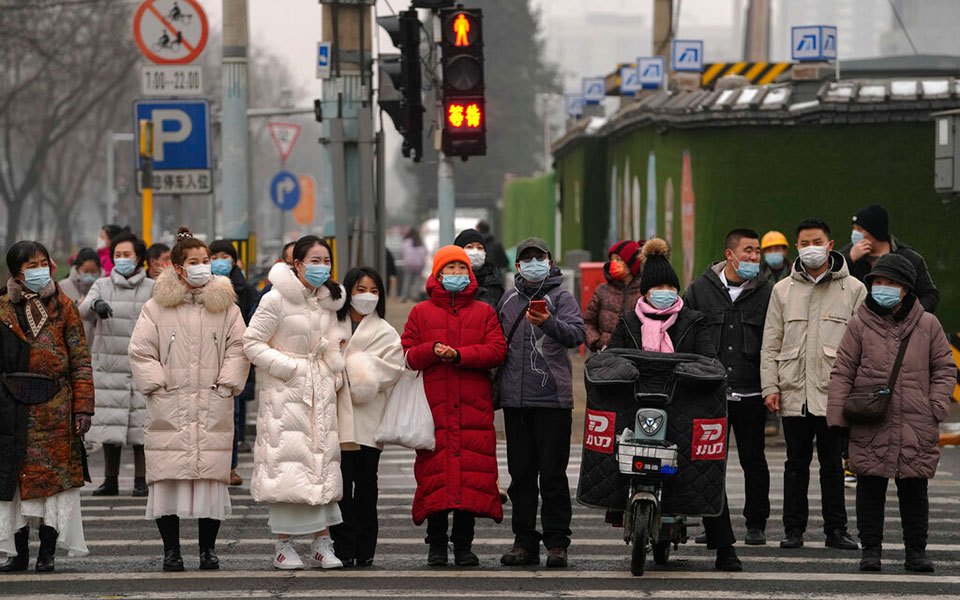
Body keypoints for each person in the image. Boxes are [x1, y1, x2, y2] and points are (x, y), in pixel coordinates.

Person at [607, 238, 743, 571]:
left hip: (683, 406)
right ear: (645, 291)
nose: (666, 291)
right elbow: (612, 359)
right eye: (658, 286)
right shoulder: (628, 323)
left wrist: (692, 373)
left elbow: (709, 360)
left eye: (671, 285)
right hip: (638, 408)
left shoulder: (692, 321)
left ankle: (725, 549)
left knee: (705, 473)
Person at [128, 227, 249, 572]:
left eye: (206, 260)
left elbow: (240, 347)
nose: (202, 266)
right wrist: (158, 385)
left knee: (210, 479)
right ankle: (171, 551)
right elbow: (140, 351)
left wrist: (227, 384)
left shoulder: (226, 306)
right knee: (168, 479)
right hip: (171, 403)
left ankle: (208, 550)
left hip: (213, 400)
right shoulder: (156, 307)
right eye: (194, 261)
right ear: (178, 268)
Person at [826, 254, 954, 573]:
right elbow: (843, 371)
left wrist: (935, 405)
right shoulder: (859, 323)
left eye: (891, 283)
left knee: (914, 489)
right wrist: (838, 419)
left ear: (907, 289)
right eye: (878, 283)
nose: (882, 288)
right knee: (870, 488)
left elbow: (945, 368)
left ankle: (916, 552)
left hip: (916, 421)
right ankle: (871, 550)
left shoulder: (928, 325)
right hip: (871, 420)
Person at [243, 236, 350, 571]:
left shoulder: (325, 301)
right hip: (286, 394)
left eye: (326, 260)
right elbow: (251, 342)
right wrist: (288, 368)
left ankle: (322, 542)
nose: (322, 266)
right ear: (298, 264)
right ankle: (283, 546)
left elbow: (331, 342)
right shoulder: (275, 300)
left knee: (320, 466)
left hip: (319, 391)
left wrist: (333, 371)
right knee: (287, 468)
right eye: (314, 260)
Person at [760, 218, 866, 551]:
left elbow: (864, 345)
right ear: (797, 248)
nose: (810, 248)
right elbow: (771, 342)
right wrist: (770, 387)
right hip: (793, 391)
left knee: (834, 465)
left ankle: (836, 530)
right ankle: (793, 530)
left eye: (816, 241)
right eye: (804, 243)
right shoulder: (782, 290)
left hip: (835, 393)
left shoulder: (854, 290)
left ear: (831, 245)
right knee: (795, 465)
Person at [401, 245, 507, 567]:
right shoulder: (420, 313)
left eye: (462, 269)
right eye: (450, 269)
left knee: (469, 478)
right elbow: (406, 355)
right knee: (435, 476)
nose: (457, 275)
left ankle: (464, 545)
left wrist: (460, 355)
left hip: (473, 406)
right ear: (437, 273)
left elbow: (497, 350)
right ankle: (435, 544)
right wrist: (432, 350)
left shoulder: (484, 312)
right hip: (434, 407)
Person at [0, 241, 94, 572]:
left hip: (56, 409)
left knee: (55, 487)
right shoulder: (2, 310)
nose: (40, 270)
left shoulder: (64, 307)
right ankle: (20, 553)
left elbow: (80, 359)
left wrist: (83, 408)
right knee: (15, 484)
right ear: (16, 273)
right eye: (31, 265)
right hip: (12, 411)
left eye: (44, 263)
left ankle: (47, 553)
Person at [496, 237, 585, 569]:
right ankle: (524, 542)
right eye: (527, 258)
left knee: (552, 476)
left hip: (553, 401)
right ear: (518, 266)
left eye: (540, 257)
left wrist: (548, 321)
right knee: (520, 476)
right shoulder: (507, 301)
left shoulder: (562, 297)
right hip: (516, 403)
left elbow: (577, 335)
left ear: (549, 260)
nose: (534, 263)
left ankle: (557, 543)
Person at [684, 229, 772, 546]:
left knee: (754, 460)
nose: (753, 257)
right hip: (711, 393)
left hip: (751, 392)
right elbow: (684, 335)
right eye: (747, 250)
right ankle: (711, 525)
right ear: (730, 254)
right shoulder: (699, 289)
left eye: (757, 252)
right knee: (708, 462)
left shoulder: (767, 292)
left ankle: (756, 523)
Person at [331, 267, 404, 568]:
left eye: (374, 291)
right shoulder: (332, 325)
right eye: (361, 289)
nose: (368, 296)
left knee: (366, 484)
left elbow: (394, 370)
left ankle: (365, 546)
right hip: (336, 416)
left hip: (369, 416)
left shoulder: (386, 331)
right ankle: (342, 545)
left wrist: (358, 368)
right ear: (349, 290)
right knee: (340, 483)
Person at [79, 232, 154, 498]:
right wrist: (95, 304)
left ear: (139, 258)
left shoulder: (152, 288)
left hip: (141, 364)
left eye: (127, 254)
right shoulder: (101, 285)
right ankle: (110, 480)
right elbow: (83, 309)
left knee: (141, 426)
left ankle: (141, 480)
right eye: (118, 255)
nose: (122, 259)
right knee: (110, 426)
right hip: (109, 364)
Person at [209, 239, 259, 486]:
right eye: (215, 255)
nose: (220, 261)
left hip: (236, 359)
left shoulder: (246, 290)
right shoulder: (203, 287)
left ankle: (230, 467)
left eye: (225, 256)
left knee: (233, 416)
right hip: (208, 360)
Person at [840, 204, 939, 314]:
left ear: (875, 231)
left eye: (860, 229)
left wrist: (912, 317)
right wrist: (850, 259)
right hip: (864, 325)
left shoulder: (910, 258)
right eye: (853, 229)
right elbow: (831, 277)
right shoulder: (846, 255)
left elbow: (929, 295)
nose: (855, 233)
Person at [583, 239, 644, 352]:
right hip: (605, 356)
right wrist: (597, 342)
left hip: (636, 356)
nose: (614, 263)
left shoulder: (644, 292)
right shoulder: (602, 291)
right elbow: (587, 322)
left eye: (619, 259)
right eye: (612, 259)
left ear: (632, 263)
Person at [454, 228, 505, 307]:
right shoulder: (450, 281)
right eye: (470, 247)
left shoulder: (495, 283)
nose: (475, 252)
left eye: (480, 248)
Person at [60, 248, 102, 344]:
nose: (90, 275)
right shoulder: (63, 286)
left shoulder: (104, 286)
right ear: (77, 268)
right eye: (86, 271)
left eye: (93, 271)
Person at [247, 241, 295, 322]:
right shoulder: (270, 290)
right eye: (291, 264)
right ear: (282, 263)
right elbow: (254, 321)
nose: (296, 268)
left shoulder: (320, 292)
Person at [400, 228, 427, 302]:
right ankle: (415, 296)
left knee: (407, 280)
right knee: (417, 281)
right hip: (419, 265)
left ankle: (404, 296)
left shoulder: (406, 242)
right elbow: (425, 252)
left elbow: (402, 253)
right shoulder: (421, 243)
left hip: (408, 264)